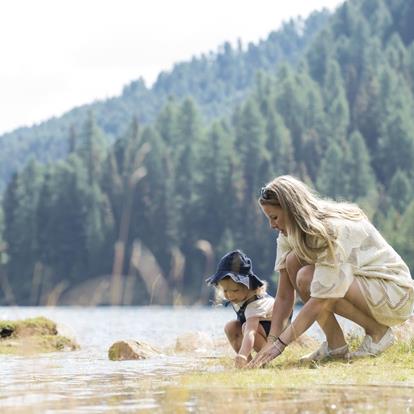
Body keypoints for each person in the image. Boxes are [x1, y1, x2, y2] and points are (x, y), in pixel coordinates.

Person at [249, 175, 414, 368]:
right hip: (365, 286)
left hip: (395, 293)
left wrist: (280, 345)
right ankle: (336, 345)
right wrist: (271, 340)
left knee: (308, 278)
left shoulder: (331, 231)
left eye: (274, 217)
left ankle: (378, 333)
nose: (272, 225)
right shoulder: (288, 234)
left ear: (291, 210)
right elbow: (285, 296)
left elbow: (320, 299)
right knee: (293, 260)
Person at [206, 250, 274, 368]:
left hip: (274, 337)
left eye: (235, 290)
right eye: (225, 290)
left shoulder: (255, 302)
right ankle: (245, 363)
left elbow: (250, 332)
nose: (230, 295)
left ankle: (264, 362)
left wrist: (242, 353)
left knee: (245, 327)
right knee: (231, 326)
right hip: (257, 330)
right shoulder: (240, 297)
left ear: (249, 286)